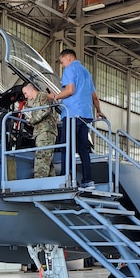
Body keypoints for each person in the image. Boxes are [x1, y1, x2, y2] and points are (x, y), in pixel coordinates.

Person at [48, 48, 104, 189]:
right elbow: (94, 96)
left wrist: (55, 97)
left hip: (72, 114)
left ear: (68, 57)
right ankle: (88, 181)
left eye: (62, 62)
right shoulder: (86, 72)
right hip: (86, 115)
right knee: (83, 149)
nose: (62, 66)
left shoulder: (70, 70)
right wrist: (98, 110)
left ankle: (66, 178)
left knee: (66, 146)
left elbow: (70, 90)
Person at [21, 82, 58, 178]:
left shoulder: (42, 96)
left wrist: (32, 120)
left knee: (41, 157)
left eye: (25, 93)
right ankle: (52, 180)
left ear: (31, 89)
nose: (25, 96)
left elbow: (45, 109)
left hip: (46, 131)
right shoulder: (34, 101)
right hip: (40, 132)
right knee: (46, 160)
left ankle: (39, 181)